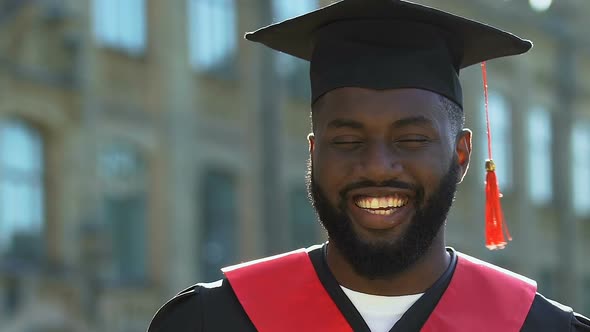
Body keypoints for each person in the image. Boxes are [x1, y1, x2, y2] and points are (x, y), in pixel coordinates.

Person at [148, 0, 590, 331]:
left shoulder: (537, 327)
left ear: (461, 156)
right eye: (346, 140)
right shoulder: (213, 322)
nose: (377, 165)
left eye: (412, 139)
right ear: (314, 150)